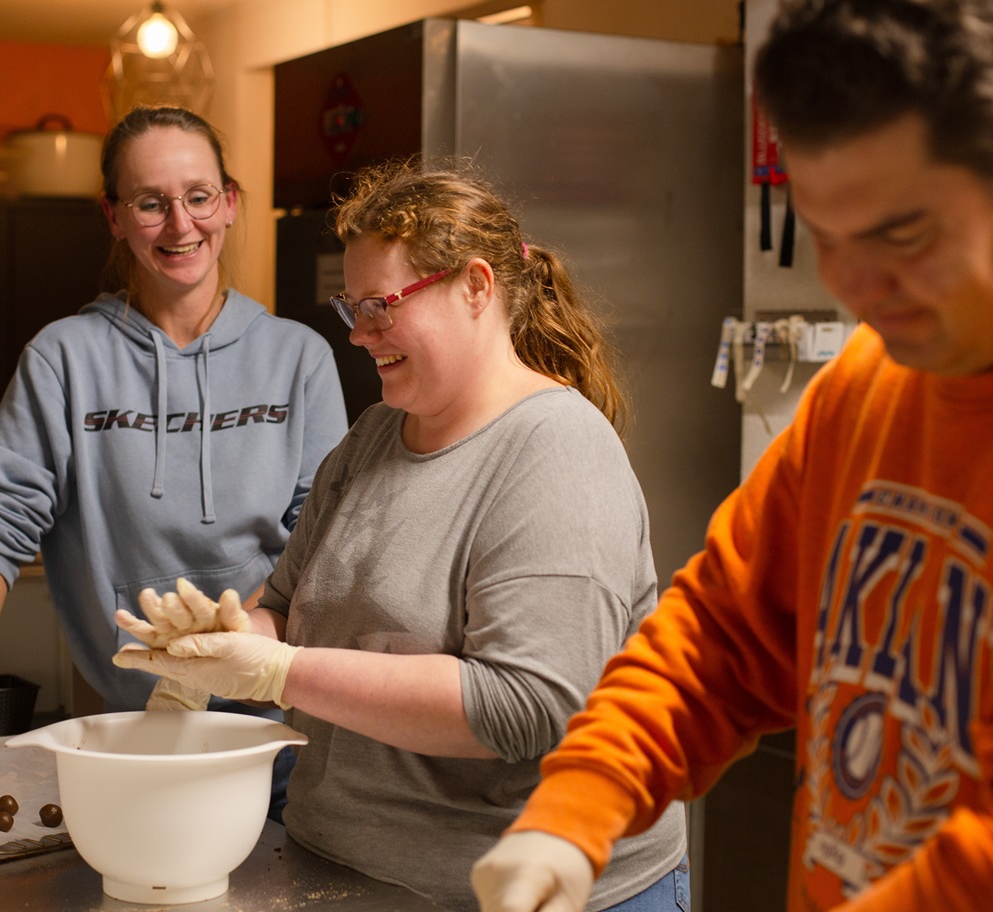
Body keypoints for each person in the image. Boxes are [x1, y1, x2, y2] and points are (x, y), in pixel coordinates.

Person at [470, 1, 993, 910]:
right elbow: (723, 631)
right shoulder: (868, 381)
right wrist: (575, 806)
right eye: (826, 236)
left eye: (902, 236)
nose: (857, 288)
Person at [112, 159, 690, 912]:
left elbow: (527, 706)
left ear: (477, 287)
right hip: (346, 872)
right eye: (351, 308)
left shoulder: (556, 451)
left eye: (381, 306)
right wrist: (219, 643)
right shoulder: (375, 437)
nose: (360, 335)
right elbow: (287, 606)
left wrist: (276, 673)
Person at [0, 105, 350, 818]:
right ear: (113, 216)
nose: (180, 225)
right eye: (150, 202)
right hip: (131, 742)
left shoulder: (298, 358)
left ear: (229, 203)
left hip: (285, 738)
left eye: (199, 197)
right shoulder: (64, 358)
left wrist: (203, 668)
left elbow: (321, 544)